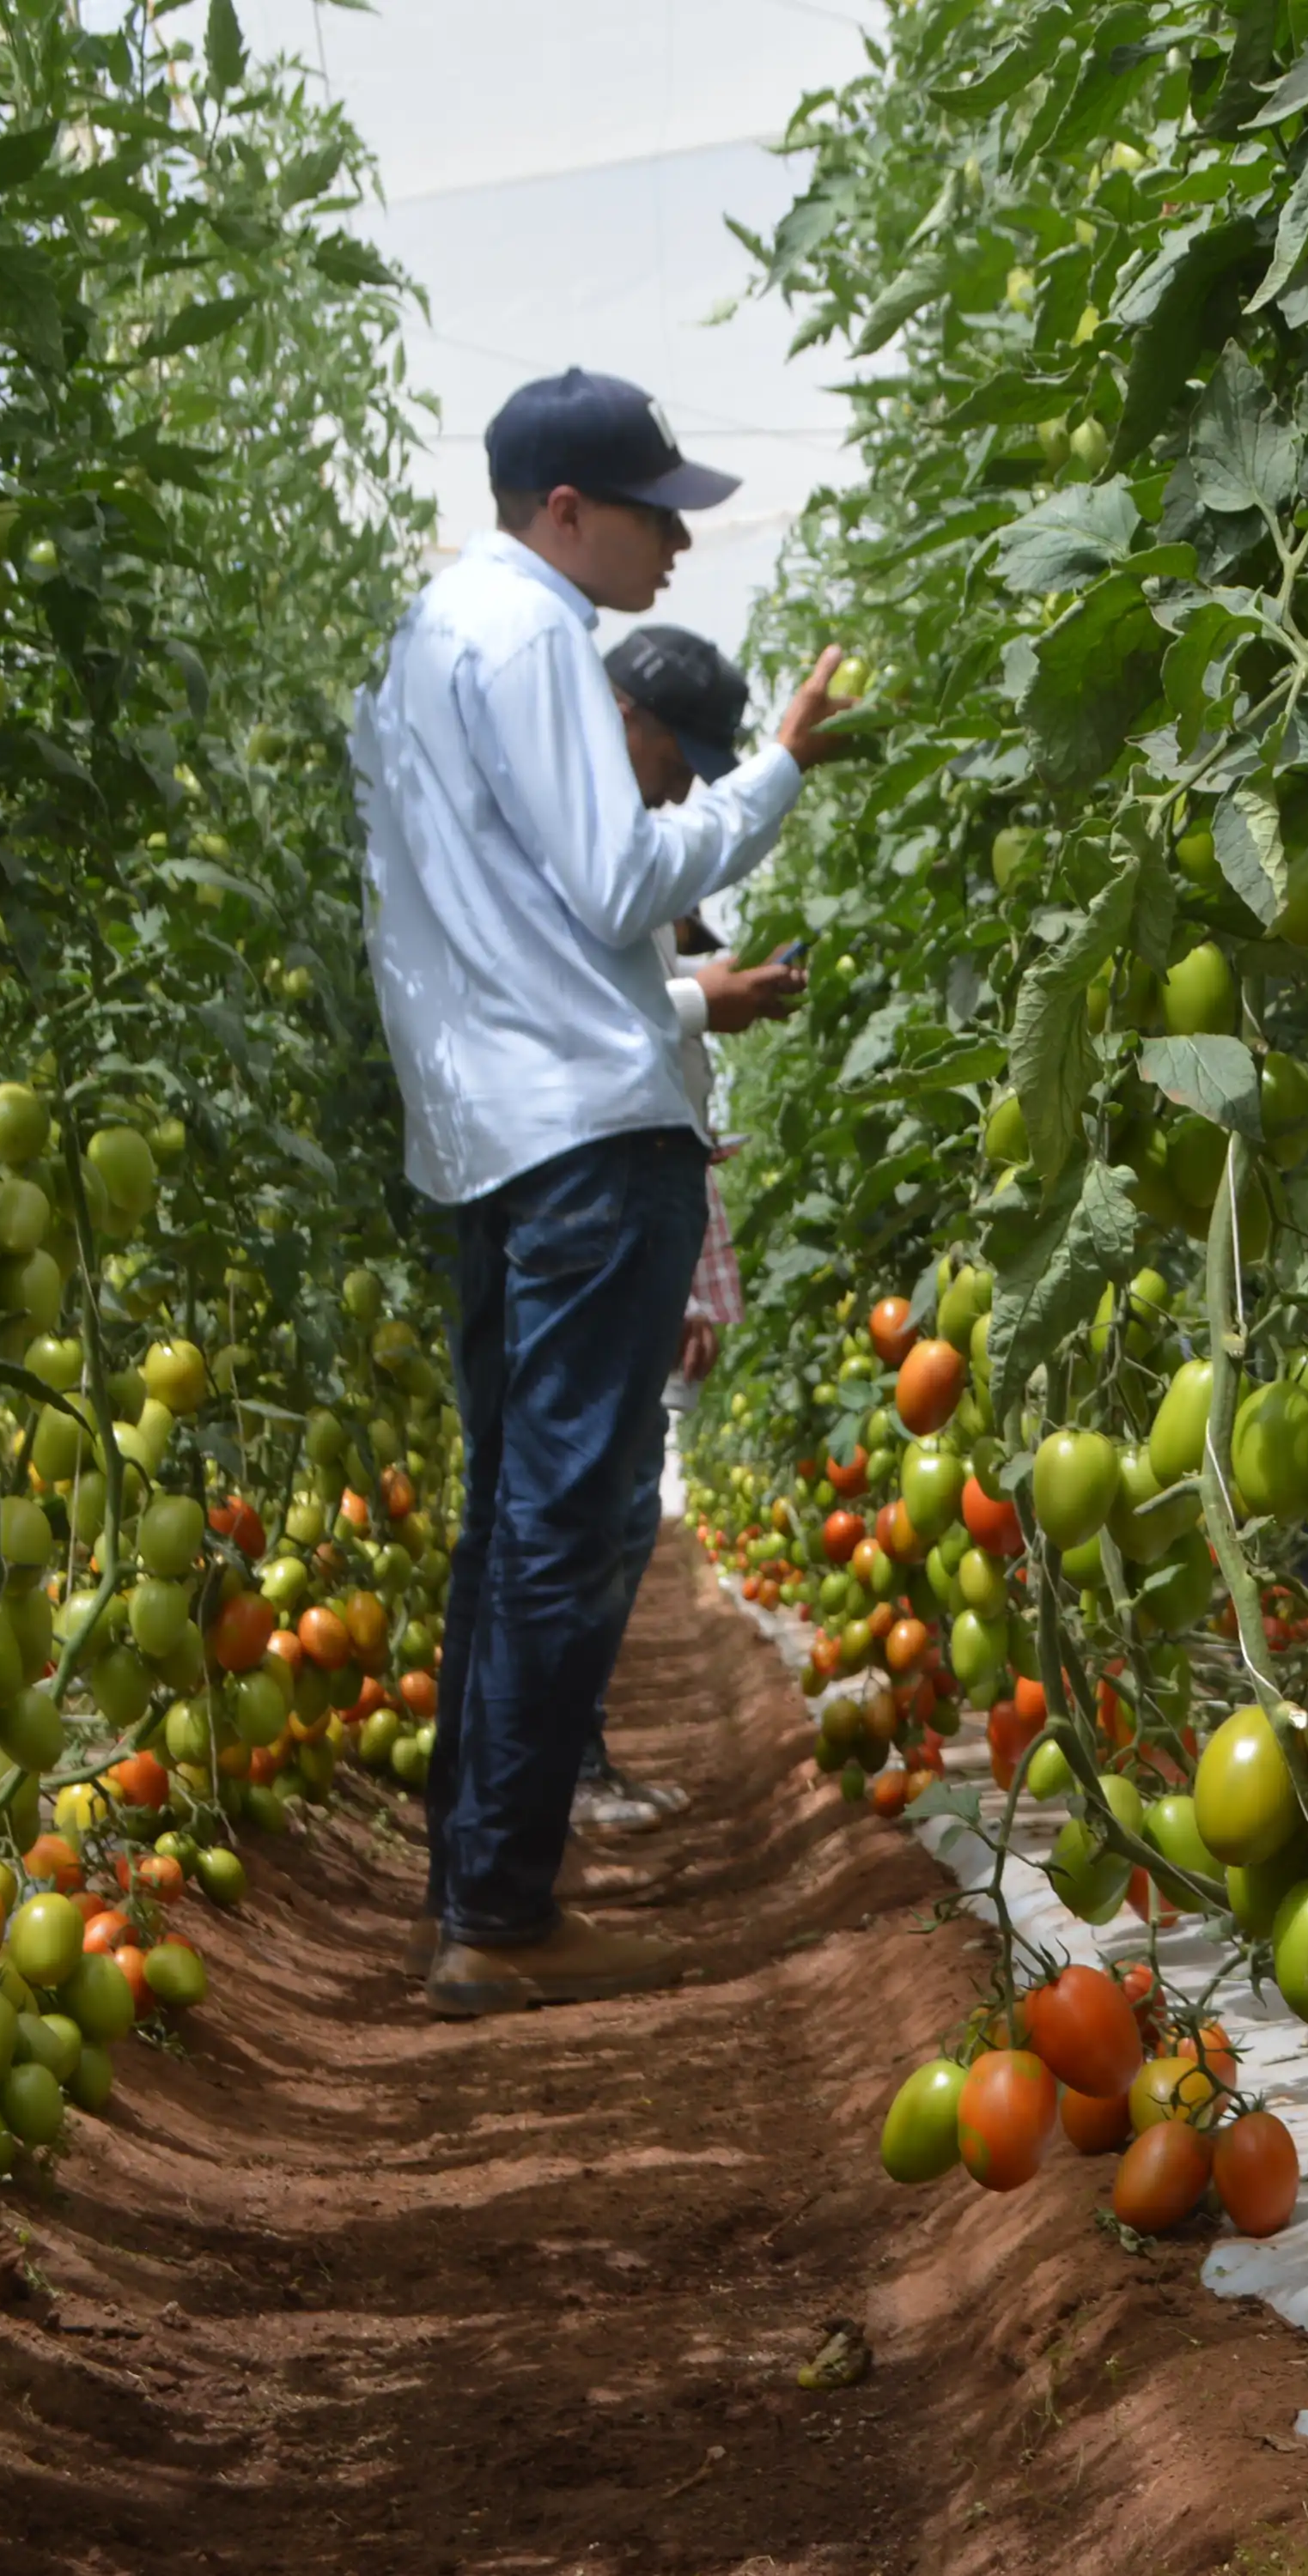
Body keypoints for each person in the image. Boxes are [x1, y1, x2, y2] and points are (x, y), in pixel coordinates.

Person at [350, 368, 852, 2014]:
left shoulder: (424, 648)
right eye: (657, 514)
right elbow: (621, 875)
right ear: (565, 509)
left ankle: (475, 1888)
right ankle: (500, 1913)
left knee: (514, 1517)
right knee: (575, 1520)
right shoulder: (536, 643)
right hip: (586, 1146)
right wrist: (773, 770)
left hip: (495, 1140)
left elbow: (499, 927)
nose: (676, 548)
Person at [573, 625, 804, 1836]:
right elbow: (561, 1011)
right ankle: (556, 1773)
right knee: (575, 1508)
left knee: (603, 1509)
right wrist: (697, 1002)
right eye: (682, 758)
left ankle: (572, 1760)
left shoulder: (619, 833)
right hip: (581, 1202)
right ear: (632, 717)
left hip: (628, 1206)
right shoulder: (575, 818)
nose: (683, 784)